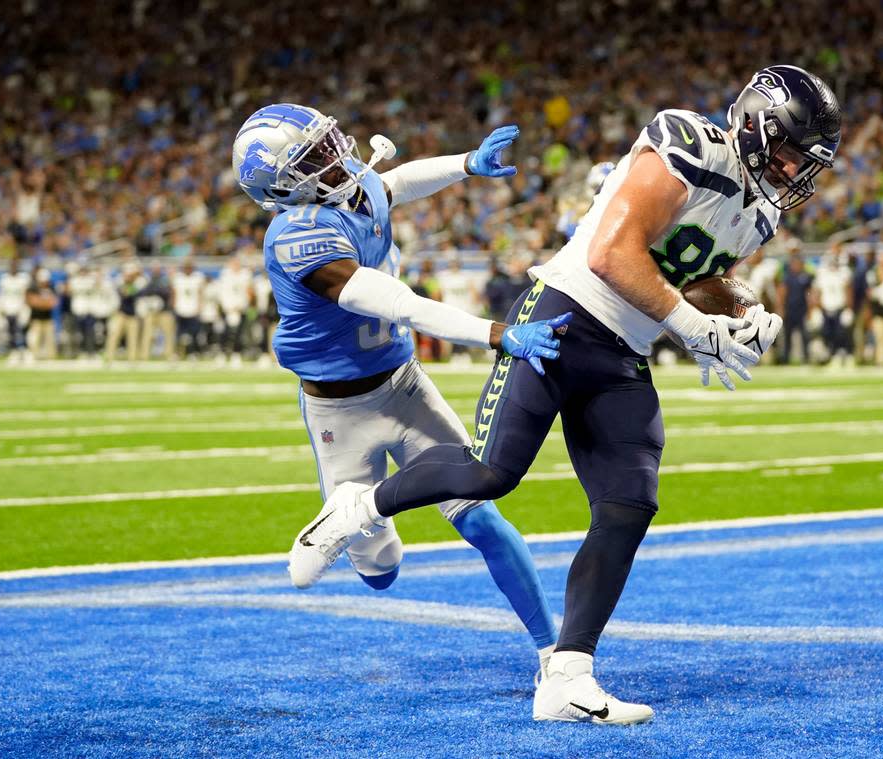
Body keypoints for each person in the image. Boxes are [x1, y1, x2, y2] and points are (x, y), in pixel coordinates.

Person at [287, 65, 835, 724]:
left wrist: (744, 311)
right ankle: (359, 504)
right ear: (755, 124)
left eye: (803, 161)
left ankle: (567, 675)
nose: (792, 170)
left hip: (623, 348)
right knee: (492, 471)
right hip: (563, 316)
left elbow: (700, 273)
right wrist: (694, 330)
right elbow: (612, 252)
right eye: (789, 151)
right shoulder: (689, 142)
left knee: (630, 500)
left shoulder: (762, 209)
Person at [232, 103, 567, 685]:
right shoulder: (297, 237)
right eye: (314, 156)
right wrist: (495, 333)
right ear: (284, 185)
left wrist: (467, 163)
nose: (337, 156)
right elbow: (397, 302)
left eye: (327, 140)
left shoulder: (346, 186)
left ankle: (554, 655)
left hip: (405, 383)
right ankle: (355, 515)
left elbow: (392, 183)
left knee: (481, 513)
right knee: (381, 569)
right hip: (340, 410)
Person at [812, 248, 852, 365]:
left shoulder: (844, 273)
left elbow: (848, 291)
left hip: (839, 309)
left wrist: (848, 308)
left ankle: (840, 356)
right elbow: (816, 293)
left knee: (840, 334)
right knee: (826, 334)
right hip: (825, 309)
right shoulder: (822, 274)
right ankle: (828, 357)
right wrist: (815, 309)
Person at [105, 262, 145, 363]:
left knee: (133, 339)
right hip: (120, 314)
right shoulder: (120, 282)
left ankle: (132, 359)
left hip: (133, 316)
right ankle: (109, 357)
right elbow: (125, 293)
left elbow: (134, 292)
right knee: (114, 336)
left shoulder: (138, 284)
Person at [777, 252, 812, 364]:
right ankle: (786, 358)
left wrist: (810, 310)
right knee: (787, 335)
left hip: (801, 310)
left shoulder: (805, 277)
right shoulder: (787, 277)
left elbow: (809, 294)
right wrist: (781, 308)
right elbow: (782, 293)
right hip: (790, 309)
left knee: (804, 335)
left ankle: (806, 357)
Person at [0, 260, 30, 364]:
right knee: (11, 331)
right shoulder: (4, 278)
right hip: (9, 307)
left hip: (21, 307)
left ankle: (26, 352)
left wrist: (25, 307)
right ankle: (14, 352)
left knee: (23, 331)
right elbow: (2, 294)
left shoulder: (23, 278)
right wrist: (0, 308)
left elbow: (26, 293)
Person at [171, 259, 206, 359]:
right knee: (179, 334)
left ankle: (192, 353)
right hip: (180, 309)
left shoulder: (197, 277)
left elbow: (200, 292)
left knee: (194, 334)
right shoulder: (178, 278)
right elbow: (174, 293)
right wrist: (174, 306)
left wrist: (199, 306)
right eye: (186, 267)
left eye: (189, 267)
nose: (187, 269)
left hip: (193, 310)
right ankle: (177, 353)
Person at [25, 267, 58, 361]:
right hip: (36, 317)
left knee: (50, 340)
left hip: (48, 317)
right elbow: (31, 301)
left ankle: (50, 358)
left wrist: (40, 302)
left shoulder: (51, 287)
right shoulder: (33, 287)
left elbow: (53, 302)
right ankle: (33, 356)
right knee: (34, 339)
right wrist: (44, 303)